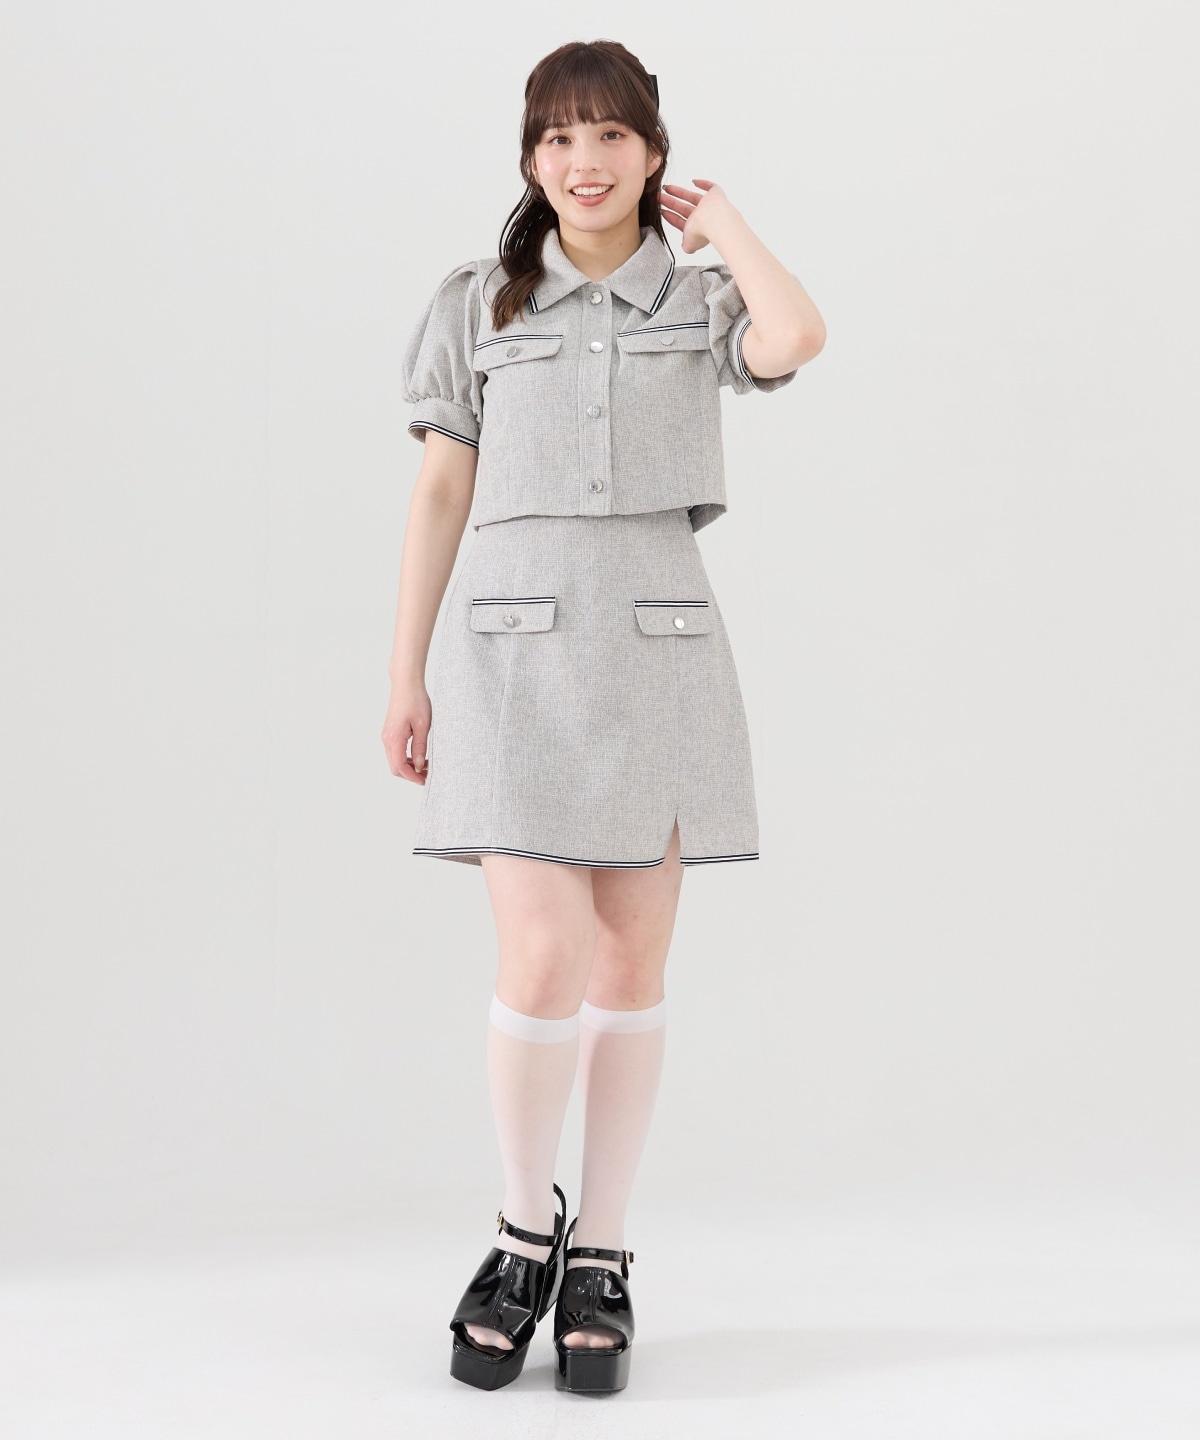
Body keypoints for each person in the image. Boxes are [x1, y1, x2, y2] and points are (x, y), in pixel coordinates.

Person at [381, 39, 825, 1396]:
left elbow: (796, 336)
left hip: (658, 655)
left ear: (651, 151)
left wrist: (728, 224)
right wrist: (405, 673)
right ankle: (527, 1230)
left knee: (629, 966)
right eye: (560, 138)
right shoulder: (477, 302)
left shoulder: (699, 298)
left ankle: (605, 1254)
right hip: (509, 657)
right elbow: (441, 493)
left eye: (612, 136)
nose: (585, 162)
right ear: (532, 158)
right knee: (541, 955)